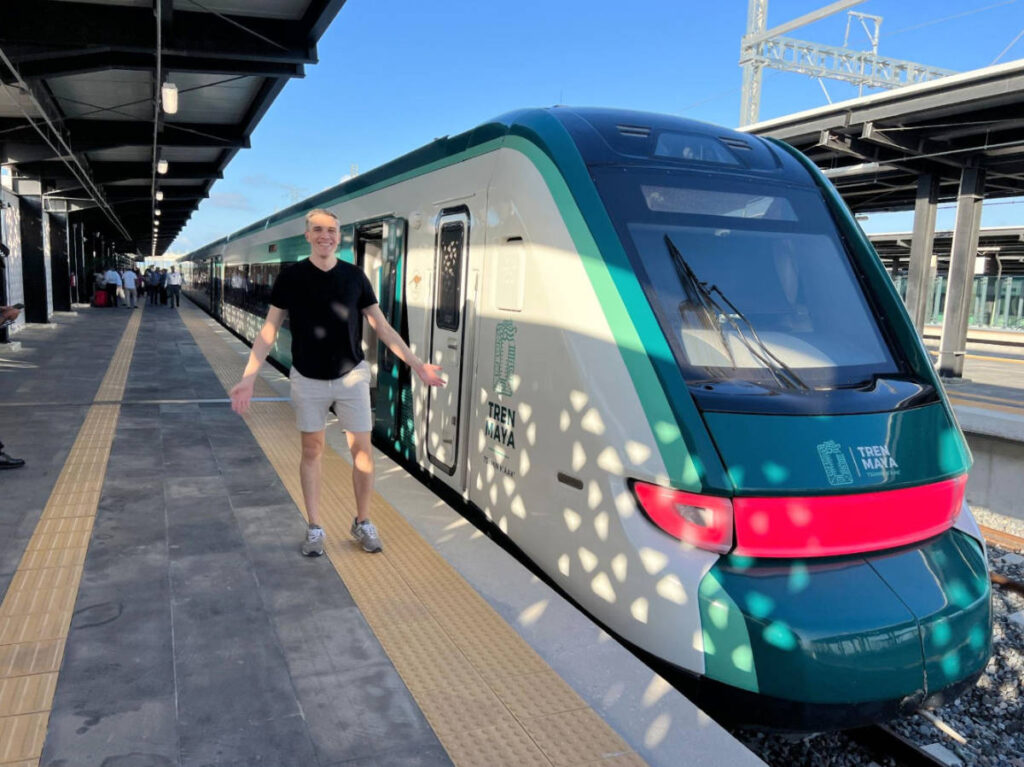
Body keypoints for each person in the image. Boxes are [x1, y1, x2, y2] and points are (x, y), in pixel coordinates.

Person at [229, 209, 445, 557]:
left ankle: (362, 521)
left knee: (363, 452)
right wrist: (248, 378)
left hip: (351, 376)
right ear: (308, 235)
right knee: (312, 450)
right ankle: (315, 526)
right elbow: (268, 331)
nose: (325, 236)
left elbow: (381, 326)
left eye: (331, 230)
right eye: (318, 229)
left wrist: (417, 366)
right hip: (307, 377)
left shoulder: (355, 276)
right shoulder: (291, 277)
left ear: (338, 235)